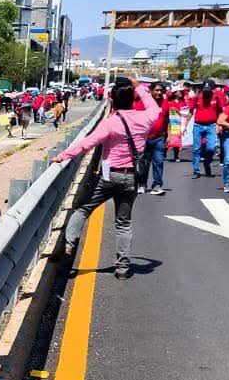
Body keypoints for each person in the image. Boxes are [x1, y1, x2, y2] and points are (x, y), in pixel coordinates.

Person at [53, 76, 159, 280]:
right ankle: (123, 268)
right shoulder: (145, 118)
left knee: (83, 209)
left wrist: (62, 156)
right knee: (123, 223)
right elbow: (153, 107)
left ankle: (69, 245)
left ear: (112, 100)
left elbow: (86, 144)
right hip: (133, 178)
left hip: (111, 177)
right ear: (132, 99)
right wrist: (138, 87)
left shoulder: (110, 123)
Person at [190, 79, 223, 179]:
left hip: (211, 126)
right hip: (198, 125)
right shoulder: (196, 97)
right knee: (196, 149)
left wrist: (219, 125)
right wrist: (185, 125)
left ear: (212, 89)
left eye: (208, 89)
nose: (206, 91)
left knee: (211, 148)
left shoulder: (216, 97)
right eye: (205, 89)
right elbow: (191, 111)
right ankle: (196, 170)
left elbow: (220, 112)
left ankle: (207, 163)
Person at [140, 82, 167, 195]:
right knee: (143, 162)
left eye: (161, 90)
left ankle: (157, 185)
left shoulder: (165, 102)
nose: (159, 92)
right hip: (144, 137)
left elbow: (167, 119)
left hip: (159, 138)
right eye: (156, 90)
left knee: (159, 161)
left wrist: (169, 136)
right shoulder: (144, 102)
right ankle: (141, 184)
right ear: (151, 91)